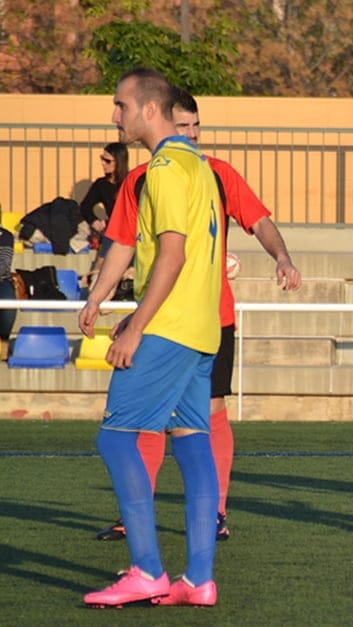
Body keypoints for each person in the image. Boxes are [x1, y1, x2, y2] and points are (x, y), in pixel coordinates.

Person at [94, 87, 303, 543]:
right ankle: (151, 526)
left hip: (205, 316)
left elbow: (258, 221)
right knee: (163, 422)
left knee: (200, 416)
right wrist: (98, 294)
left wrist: (282, 258)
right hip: (163, 316)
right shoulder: (143, 179)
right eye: (182, 126)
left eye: (195, 126)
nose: (189, 133)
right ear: (168, 120)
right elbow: (124, 242)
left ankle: (208, 519)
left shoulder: (215, 173)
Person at [79, 67, 224, 607]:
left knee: (115, 439)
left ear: (148, 110)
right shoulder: (195, 165)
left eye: (120, 105)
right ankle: (199, 579)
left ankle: (146, 570)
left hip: (167, 328)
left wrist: (136, 327)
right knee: (191, 442)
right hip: (201, 329)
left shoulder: (164, 168)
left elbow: (173, 252)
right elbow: (134, 240)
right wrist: (98, 296)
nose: (114, 115)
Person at [80, 141, 129, 242]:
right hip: (113, 234)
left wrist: (108, 223)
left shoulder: (130, 181)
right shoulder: (101, 184)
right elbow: (85, 206)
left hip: (132, 234)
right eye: (102, 159)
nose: (103, 163)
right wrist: (94, 221)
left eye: (108, 161)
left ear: (119, 162)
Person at [0, 226, 15, 360]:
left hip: (1, 281)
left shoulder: (4, 235)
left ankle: (4, 343)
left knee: (7, 303)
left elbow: (3, 264)